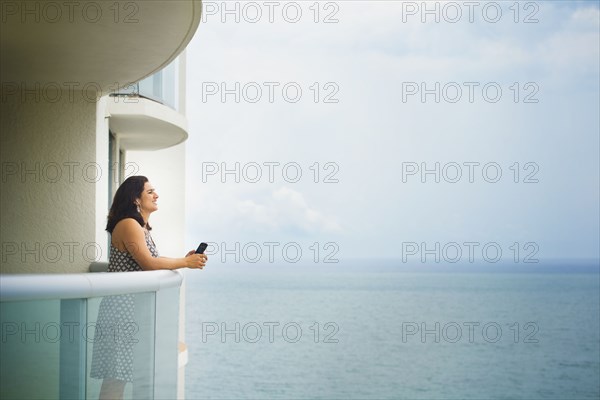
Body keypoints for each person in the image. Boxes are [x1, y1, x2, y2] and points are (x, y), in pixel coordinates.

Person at [90, 175, 207, 399]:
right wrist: (185, 263)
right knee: (116, 380)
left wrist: (183, 259)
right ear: (135, 199)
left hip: (131, 313)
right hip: (122, 313)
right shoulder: (129, 225)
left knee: (124, 377)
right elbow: (149, 264)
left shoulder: (140, 228)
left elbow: (151, 261)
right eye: (150, 191)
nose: (156, 195)